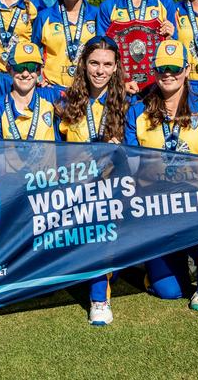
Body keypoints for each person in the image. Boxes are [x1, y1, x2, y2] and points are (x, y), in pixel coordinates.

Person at [124, 40, 198, 312]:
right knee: (169, 291)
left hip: (195, 200)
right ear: (154, 71)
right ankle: (165, 260)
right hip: (156, 204)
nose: (168, 74)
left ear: (186, 69)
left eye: (174, 68)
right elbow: (133, 167)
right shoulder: (137, 111)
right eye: (162, 69)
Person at [57, 35, 130, 325]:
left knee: (100, 222)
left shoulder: (127, 103)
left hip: (111, 192)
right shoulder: (64, 102)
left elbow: (136, 159)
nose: (100, 70)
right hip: (73, 190)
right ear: (84, 65)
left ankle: (99, 299)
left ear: (116, 68)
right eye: (94, 63)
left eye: (107, 64)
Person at [31, 0, 98, 92]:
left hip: (86, 90)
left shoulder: (97, 15)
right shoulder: (45, 16)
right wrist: (38, 79)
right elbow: (32, 52)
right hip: (52, 90)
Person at [0, 42, 59, 142]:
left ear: (39, 71)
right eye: (19, 67)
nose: (25, 74)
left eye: (31, 67)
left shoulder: (52, 97)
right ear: (9, 70)